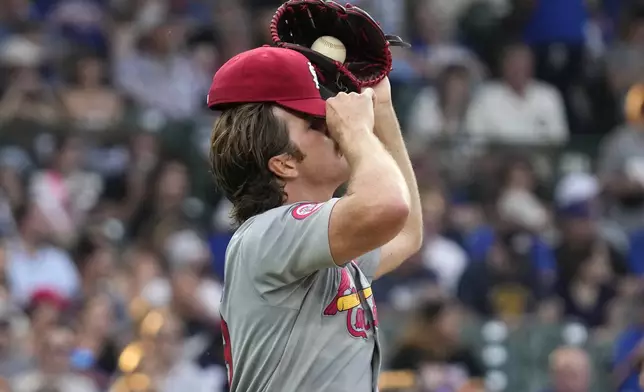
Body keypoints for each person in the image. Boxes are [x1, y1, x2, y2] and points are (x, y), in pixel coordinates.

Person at [207, 46, 422, 392]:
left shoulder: (310, 243)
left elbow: (406, 232)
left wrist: (380, 108)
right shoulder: (269, 234)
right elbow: (389, 206)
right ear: (283, 163)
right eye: (315, 123)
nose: (334, 126)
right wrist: (359, 133)